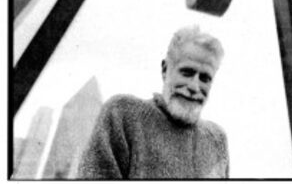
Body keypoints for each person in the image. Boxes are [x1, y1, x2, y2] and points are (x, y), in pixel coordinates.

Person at [78, 26, 229, 179]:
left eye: (205, 78)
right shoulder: (123, 114)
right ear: (165, 70)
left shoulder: (216, 140)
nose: (194, 87)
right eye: (187, 72)